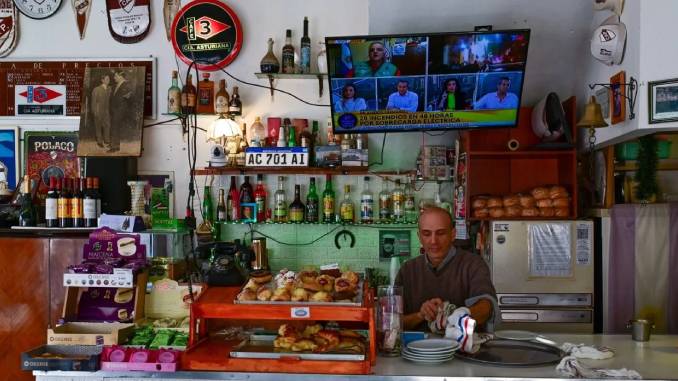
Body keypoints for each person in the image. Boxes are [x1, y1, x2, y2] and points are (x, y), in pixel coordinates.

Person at [395, 206, 498, 332]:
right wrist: (420, 315)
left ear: (453, 234)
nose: (433, 241)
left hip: (464, 349)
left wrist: (457, 315)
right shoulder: (407, 270)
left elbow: (486, 307)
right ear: (419, 236)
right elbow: (393, 322)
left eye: (441, 233)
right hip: (417, 350)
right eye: (427, 234)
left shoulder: (473, 264)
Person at [109, 70, 134, 153]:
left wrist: (128, 96)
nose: (114, 78)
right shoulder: (117, 85)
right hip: (115, 109)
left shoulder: (126, 85)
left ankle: (114, 147)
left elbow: (130, 96)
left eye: (115, 76)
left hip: (120, 109)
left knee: (115, 127)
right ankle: (115, 145)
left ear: (121, 76)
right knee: (114, 127)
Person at [91, 73, 111, 149]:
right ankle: (99, 141)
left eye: (109, 79)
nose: (108, 80)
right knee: (98, 127)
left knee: (107, 126)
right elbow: (93, 102)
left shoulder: (110, 89)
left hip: (107, 111)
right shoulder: (96, 89)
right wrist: (94, 111)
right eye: (106, 79)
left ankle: (107, 140)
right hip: (98, 111)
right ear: (102, 80)